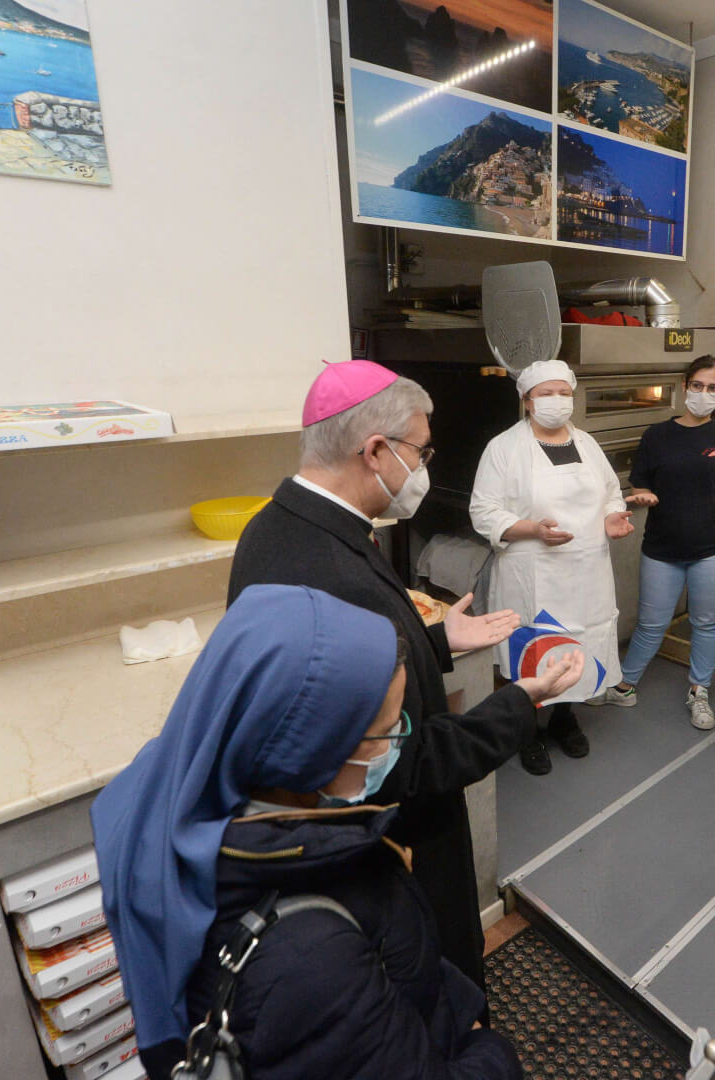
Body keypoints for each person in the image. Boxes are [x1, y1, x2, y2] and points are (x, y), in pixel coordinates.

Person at [93, 585, 582, 1077]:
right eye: (386, 733)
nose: (396, 744)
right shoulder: (310, 964)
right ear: (314, 750)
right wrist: (487, 1047)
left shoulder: (172, 792)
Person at [228, 360, 535, 995]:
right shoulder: (336, 571)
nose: (423, 467)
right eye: (420, 452)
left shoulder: (277, 526)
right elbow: (405, 765)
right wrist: (524, 701)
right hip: (391, 850)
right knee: (434, 995)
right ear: (375, 452)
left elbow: (346, 677)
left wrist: (434, 640)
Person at [470, 358, 631, 775]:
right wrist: (531, 529)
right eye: (546, 394)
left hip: (587, 572)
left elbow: (611, 493)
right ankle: (527, 730)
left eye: (563, 393)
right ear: (527, 400)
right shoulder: (504, 448)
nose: (556, 400)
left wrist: (612, 517)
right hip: (532, 573)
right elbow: (483, 512)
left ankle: (564, 717)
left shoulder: (587, 444)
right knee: (532, 648)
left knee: (580, 645)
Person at [601, 355, 715, 730]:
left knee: (706, 622)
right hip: (662, 547)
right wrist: (643, 495)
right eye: (697, 385)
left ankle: (699, 691)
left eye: (713, 388)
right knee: (650, 624)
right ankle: (624, 686)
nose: (704, 394)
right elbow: (640, 481)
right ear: (685, 386)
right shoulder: (657, 435)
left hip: (714, 548)